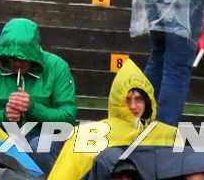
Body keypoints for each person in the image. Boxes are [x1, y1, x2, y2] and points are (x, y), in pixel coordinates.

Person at [47, 60, 176, 180]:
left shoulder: (168, 134)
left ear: (148, 101)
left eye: (139, 99)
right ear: (117, 101)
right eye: (127, 99)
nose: (133, 106)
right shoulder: (85, 135)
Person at [0, 17, 78, 136]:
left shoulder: (56, 67)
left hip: (44, 136)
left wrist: (33, 108)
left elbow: (68, 117)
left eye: (23, 58)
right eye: (12, 57)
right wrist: (3, 116)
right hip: (1, 137)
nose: (17, 63)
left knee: (38, 145)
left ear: (33, 54)